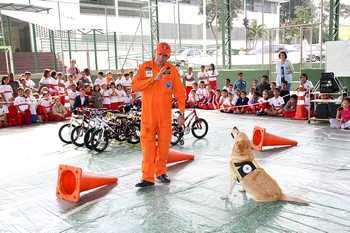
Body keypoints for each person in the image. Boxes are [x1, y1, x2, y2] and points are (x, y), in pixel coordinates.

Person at [131, 42, 186, 188]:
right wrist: (153, 79)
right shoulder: (145, 67)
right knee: (148, 148)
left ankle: (161, 172)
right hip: (148, 116)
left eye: (165, 56)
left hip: (164, 117)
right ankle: (148, 178)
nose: (162, 58)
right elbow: (135, 85)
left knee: (163, 146)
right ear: (155, 52)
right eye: (160, 54)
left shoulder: (171, 70)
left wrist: (181, 113)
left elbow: (180, 92)